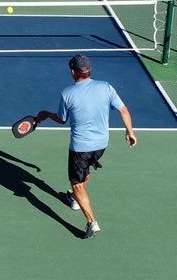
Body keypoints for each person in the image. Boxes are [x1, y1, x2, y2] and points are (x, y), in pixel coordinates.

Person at [34, 54, 137, 238]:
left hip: (80, 147)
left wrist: (46, 114)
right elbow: (123, 110)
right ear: (89, 70)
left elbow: (62, 119)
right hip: (101, 145)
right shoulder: (106, 87)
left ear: (73, 72)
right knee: (84, 172)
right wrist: (130, 132)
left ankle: (91, 222)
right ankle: (74, 198)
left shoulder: (67, 94)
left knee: (77, 184)